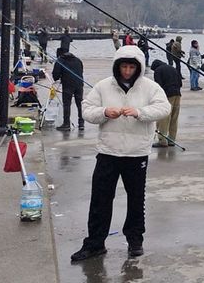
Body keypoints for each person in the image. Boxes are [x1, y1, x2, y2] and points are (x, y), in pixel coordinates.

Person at [70, 45, 170, 262]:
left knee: (136, 199)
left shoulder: (150, 87)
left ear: (138, 68)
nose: (127, 71)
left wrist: (140, 112)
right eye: (123, 66)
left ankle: (135, 240)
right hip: (108, 151)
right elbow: (86, 109)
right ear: (117, 66)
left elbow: (164, 108)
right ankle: (95, 243)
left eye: (131, 67)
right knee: (100, 198)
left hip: (137, 153)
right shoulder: (103, 86)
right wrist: (105, 112)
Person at [52, 47, 86, 131]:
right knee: (79, 103)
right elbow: (81, 71)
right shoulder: (78, 60)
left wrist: (60, 76)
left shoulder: (60, 60)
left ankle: (66, 124)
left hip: (67, 85)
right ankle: (81, 123)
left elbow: (55, 76)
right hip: (79, 84)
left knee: (67, 104)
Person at [150, 59, 182, 147]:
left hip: (167, 95)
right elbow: (180, 83)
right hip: (177, 94)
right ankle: (171, 140)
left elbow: (158, 85)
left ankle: (162, 141)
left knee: (164, 118)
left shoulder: (158, 70)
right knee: (174, 118)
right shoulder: (173, 68)